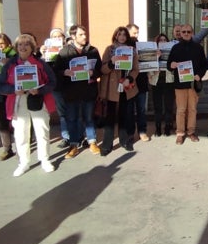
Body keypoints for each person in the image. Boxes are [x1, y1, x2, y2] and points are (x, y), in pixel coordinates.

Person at [0, 33, 56, 176]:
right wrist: (13, 90)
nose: (23, 47)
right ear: (16, 47)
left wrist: (40, 90)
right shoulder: (10, 64)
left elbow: (53, 82)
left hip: (38, 100)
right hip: (18, 102)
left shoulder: (41, 64)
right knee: (21, 134)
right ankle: (23, 162)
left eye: (27, 44)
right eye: (20, 44)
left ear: (32, 47)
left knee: (42, 132)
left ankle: (45, 160)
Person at [54, 25, 102, 158]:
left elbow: (100, 69)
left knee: (89, 118)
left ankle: (92, 141)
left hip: (88, 91)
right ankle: (74, 145)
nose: (84, 37)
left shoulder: (92, 50)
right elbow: (56, 70)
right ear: (73, 36)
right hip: (71, 92)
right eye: (81, 35)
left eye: (85, 34)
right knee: (72, 118)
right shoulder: (64, 52)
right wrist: (65, 72)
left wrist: (93, 72)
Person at [99, 26, 139, 155]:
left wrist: (129, 78)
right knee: (110, 117)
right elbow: (103, 69)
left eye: (124, 35)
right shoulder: (109, 50)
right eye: (119, 34)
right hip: (112, 87)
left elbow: (136, 69)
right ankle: (107, 145)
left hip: (126, 86)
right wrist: (111, 62)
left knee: (125, 115)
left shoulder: (132, 51)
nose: (122, 37)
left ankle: (124, 141)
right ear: (115, 36)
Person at [167, 23, 208, 144]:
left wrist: (199, 75)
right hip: (180, 84)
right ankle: (180, 133)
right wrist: (172, 65)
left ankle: (191, 132)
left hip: (193, 85)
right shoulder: (175, 48)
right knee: (181, 110)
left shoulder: (198, 48)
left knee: (192, 109)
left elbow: (204, 65)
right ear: (180, 34)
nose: (185, 34)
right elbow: (169, 64)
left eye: (188, 32)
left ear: (192, 33)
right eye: (183, 32)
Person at [40, 28, 72, 148]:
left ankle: (79, 135)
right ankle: (66, 137)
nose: (57, 39)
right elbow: (43, 68)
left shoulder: (69, 49)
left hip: (70, 85)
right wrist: (43, 54)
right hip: (57, 86)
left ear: (64, 38)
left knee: (75, 111)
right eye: (54, 37)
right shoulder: (47, 51)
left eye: (59, 36)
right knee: (62, 113)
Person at [148, 34, 175, 137]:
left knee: (169, 106)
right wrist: (156, 59)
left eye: (164, 40)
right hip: (156, 81)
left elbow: (175, 66)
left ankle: (168, 127)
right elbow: (147, 67)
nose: (163, 41)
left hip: (169, 81)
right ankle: (158, 128)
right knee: (157, 107)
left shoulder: (172, 51)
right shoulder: (153, 53)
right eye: (161, 40)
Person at [127, 23, 150, 142]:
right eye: (134, 33)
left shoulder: (142, 46)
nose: (136, 35)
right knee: (129, 110)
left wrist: (153, 57)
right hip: (128, 83)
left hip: (141, 82)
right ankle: (130, 133)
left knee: (141, 109)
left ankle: (142, 131)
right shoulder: (124, 47)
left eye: (137, 33)